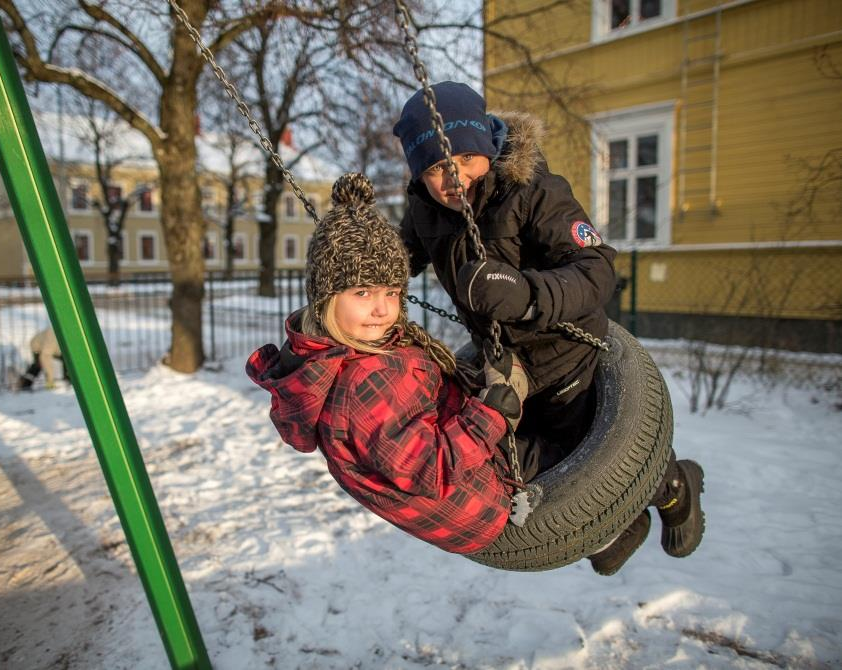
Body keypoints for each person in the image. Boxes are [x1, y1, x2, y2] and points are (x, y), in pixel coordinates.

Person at [392, 81, 704, 574]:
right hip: (506, 366)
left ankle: (675, 488)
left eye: (465, 159)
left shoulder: (533, 189)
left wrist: (526, 294)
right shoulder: (426, 212)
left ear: (488, 150)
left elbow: (598, 268)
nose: (455, 179)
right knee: (548, 465)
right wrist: (353, 261)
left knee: (603, 452)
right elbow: (393, 262)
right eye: (435, 168)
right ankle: (621, 524)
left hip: (566, 353)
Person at [247, 173, 538, 556]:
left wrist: (474, 383)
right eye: (363, 292)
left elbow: (419, 393)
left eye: (392, 292)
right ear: (326, 300)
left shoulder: (360, 351)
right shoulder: (362, 387)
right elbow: (428, 469)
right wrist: (490, 414)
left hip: (468, 484)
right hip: (481, 505)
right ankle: (614, 531)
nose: (383, 308)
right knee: (570, 434)